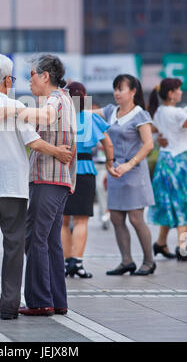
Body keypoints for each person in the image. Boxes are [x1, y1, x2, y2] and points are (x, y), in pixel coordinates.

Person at [0, 54, 72, 320]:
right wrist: (58, 152)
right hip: (13, 189)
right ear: (7, 80)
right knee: (14, 248)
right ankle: (9, 307)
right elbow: (34, 143)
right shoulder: (17, 107)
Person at [0, 54, 77, 316]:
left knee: (35, 238)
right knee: (50, 241)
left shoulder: (55, 99)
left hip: (48, 178)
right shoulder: (63, 99)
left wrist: (11, 109)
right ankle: (57, 300)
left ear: (45, 75)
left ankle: (40, 301)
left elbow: (46, 118)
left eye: (32, 75)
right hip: (57, 180)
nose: (29, 81)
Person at [95, 74, 156, 276]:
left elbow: (148, 145)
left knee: (136, 218)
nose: (116, 93)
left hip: (134, 172)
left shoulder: (140, 115)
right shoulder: (111, 111)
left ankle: (149, 262)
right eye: (115, 89)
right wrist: (68, 97)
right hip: (115, 172)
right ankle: (126, 261)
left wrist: (129, 165)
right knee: (116, 218)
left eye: (120, 89)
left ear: (133, 92)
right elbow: (87, 112)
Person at [61, 82, 119, 279]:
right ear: (84, 96)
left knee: (62, 220)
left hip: (63, 170)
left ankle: (66, 263)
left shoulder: (59, 116)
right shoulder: (91, 117)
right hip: (85, 169)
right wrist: (110, 164)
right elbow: (108, 144)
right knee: (81, 220)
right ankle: (77, 263)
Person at [147, 78, 187, 261]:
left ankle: (161, 243)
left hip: (164, 163)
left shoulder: (158, 112)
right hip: (179, 163)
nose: (181, 92)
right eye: (178, 90)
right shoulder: (177, 113)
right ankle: (183, 246)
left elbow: (154, 131)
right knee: (182, 204)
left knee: (169, 204)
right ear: (171, 93)